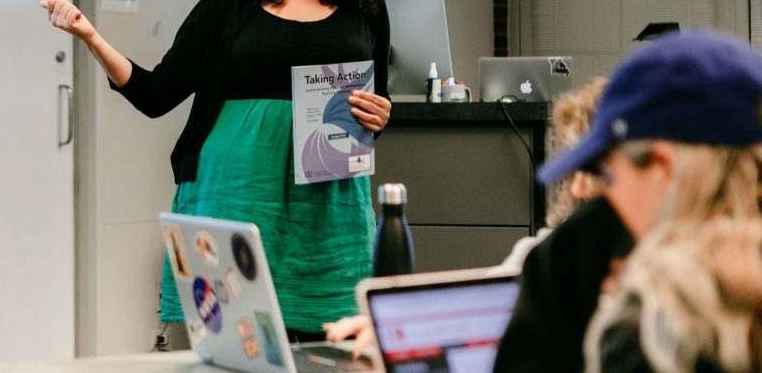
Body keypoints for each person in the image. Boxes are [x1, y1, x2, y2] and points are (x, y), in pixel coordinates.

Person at [41, 0, 391, 338]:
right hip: (234, 197)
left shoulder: (365, 7)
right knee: (237, 340)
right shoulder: (226, 7)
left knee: (337, 340)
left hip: (329, 213)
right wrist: (89, 36)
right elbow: (155, 94)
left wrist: (382, 114)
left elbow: (377, 100)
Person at [326, 77, 610, 359]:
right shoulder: (558, 249)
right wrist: (402, 326)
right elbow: (490, 301)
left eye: (593, 169)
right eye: (576, 170)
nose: (577, 187)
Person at [533, 29, 762, 371]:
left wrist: (559, 269)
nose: (592, 192)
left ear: (662, 167)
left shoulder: (659, 336)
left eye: (603, 172)